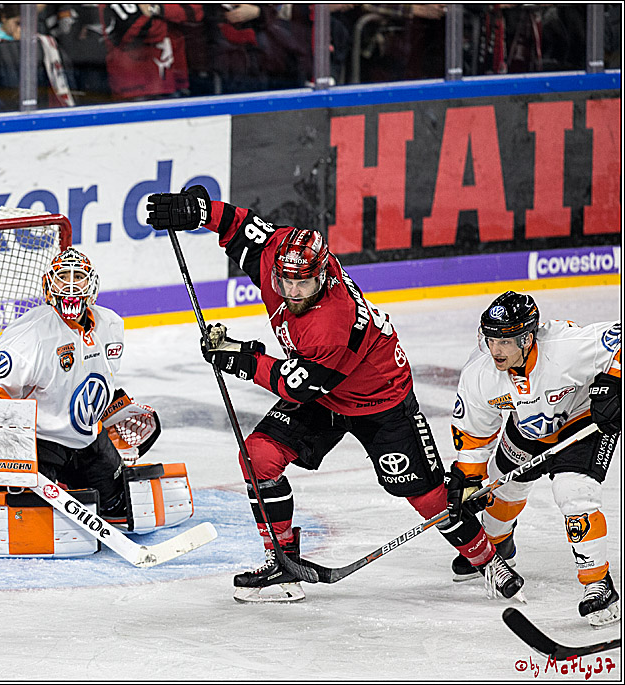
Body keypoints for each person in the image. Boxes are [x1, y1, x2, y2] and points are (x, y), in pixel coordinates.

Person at [145, 186, 524, 603]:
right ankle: (283, 565)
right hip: (326, 397)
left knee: (428, 496)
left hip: (379, 398)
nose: (291, 293)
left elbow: (297, 385)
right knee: (259, 458)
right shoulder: (279, 253)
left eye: (303, 285)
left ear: (322, 277)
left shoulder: (332, 322)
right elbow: (237, 224)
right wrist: (198, 210)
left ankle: (489, 559)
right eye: (284, 282)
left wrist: (241, 359)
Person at [446, 291, 621, 627]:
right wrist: (468, 478)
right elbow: (474, 434)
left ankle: (599, 585)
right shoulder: (480, 374)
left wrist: (614, 384)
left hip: (582, 419)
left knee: (573, 494)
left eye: (505, 341)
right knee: (499, 487)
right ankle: (496, 550)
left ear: (527, 338)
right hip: (529, 427)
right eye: (490, 338)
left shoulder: (566, 347)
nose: (495, 349)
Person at [0, 247, 129, 521]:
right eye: (63, 276)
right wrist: (12, 451)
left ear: (92, 284)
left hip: (87, 441)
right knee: (22, 518)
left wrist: (113, 407)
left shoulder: (111, 325)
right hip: (40, 445)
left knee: (119, 506)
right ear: (49, 285)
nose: (72, 284)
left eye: (79, 277)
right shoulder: (32, 335)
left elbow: (87, 381)